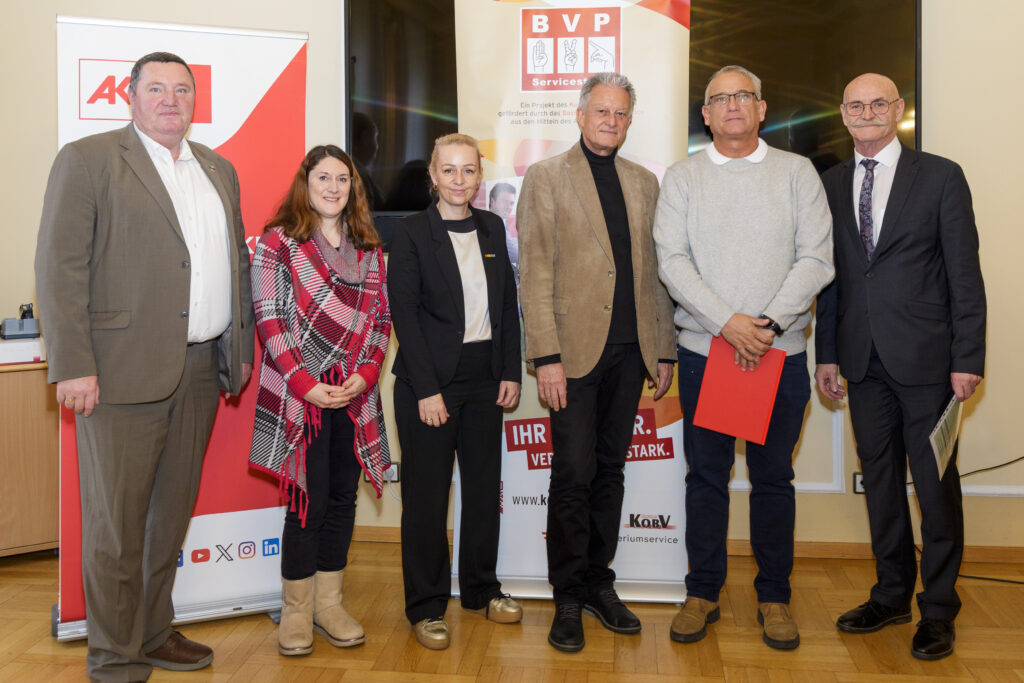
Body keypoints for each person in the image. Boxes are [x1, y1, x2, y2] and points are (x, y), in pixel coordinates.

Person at [34, 52, 254, 681]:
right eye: (155, 88)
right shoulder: (89, 159)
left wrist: (237, 351)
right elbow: (59, 267)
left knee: (168, 519)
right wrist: (73, 364)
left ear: (194, 101)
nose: (169, 100)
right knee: (116, 527)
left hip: (200, 370)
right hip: (117, 373)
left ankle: (154, 631)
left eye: (181, 89)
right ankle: (115, 657)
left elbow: (234, 265)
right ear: (129, 97)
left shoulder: (217, 168)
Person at [653, 65, 834, 650]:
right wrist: (728, 324)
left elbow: (816, 259)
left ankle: (774, 597)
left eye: (743, 96)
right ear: (706, 115)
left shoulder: (797, 173)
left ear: (761, 108)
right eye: (720, 98)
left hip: (779, 355)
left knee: (773, 480)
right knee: (705, 479)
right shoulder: (683, 178)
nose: (732, 105)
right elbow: (672, 261)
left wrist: (767, 324)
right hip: (705, 353)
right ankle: (702, 592)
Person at [815, 73, 986, 661]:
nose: (867, 113)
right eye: (856, 105)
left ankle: (938, 608)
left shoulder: (940, 176)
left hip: (930, 363)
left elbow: (964, 274)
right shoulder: (830, 182)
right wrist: (828, 353)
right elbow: (832, 276)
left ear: (897, 110)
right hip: (861, 361)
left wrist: (968, 357)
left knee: (935, 488)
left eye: (878, 104)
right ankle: (891, 595)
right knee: (881, 484)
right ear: (843, 114)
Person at [517, 72, 677, 653]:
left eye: (621, 113)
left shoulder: (643, 182)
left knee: (611, 471)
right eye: (602, 111)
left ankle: (597, 583)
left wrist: (663, 346)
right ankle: (567, 593)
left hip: (631, 352)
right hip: (572, 355)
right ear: (581, 115)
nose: (612, 121)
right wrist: (546, 356)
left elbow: (655, 271)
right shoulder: (546, 176)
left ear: (629, 121)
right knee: (573, 473)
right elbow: (534, 270)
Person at [247, 145, 391, 656]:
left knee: (343, 499)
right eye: (323, 178)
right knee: (308, 502)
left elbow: (381, 320)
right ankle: (296, 611)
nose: (333, 188)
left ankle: (329, 605)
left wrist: (366, 374)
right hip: (301, 396)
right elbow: (269, 319)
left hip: (353, 396)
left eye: (343, 179)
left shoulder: (368, 247)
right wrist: (305, 382)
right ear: (305, 183)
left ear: (353, 187)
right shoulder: (278, 243)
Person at [388, 133, 523, 650]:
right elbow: (405, 315)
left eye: (468, 170)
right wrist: (427, 389)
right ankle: (426, 607)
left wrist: (509, 370)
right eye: (449, 170)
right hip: (429, 382)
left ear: (479, 177)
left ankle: (481, 590)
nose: (459, 180)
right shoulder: (412, 233)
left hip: (485, 378)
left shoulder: (492, 227)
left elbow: (506, 306)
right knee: (426, 498)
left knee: (484, 492)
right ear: (433, 175)